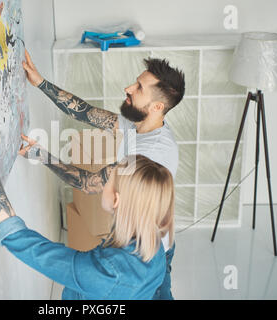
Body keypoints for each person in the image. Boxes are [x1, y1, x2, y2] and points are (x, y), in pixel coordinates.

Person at [21, 49, 185, 299]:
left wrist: (40, 155)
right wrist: (40, 82)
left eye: (139, 87)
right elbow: (84, 112)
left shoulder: (150, 155)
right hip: (144, 239)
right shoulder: (141, 123)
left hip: (148, 252)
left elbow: (88, 183)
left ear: (157, 106)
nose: (128, 88)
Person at [0, 115, 175, 300]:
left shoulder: (105, 272)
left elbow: (33, 250)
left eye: (109, 177)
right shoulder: (157, 246)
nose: (104, 179)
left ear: (116, 200)